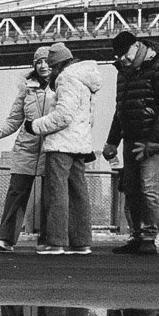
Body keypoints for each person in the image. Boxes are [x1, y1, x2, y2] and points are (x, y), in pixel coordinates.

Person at [18, 42, 103, 255]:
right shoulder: (86, 80)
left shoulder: (66, 78)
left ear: (58, 65)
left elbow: (63, 116)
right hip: (80, 144)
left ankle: (55, 243)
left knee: (56, 192)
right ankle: (81, 242)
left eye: (52, 66)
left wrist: (35, 125)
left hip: (61, 144)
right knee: (78, 193)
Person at [102, 31, 159, 255]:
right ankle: (136, 235)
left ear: (137, 46)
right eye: (118, 58)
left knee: (148, 187)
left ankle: (148, 237)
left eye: (125, 55)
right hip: (131, 135)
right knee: (131, 188)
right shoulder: (124, 72)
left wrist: (155, 141)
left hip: (151, 137)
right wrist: (111, 142)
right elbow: (121, 110)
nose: (123, 60)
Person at [0, 46, 58, 251]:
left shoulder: (62, 85)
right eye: (38, 62)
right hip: (26, 147)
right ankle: (5, 239)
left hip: (51, 147)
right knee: (16, 192)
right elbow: (15, 120)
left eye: (47, 61)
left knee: (49, 196)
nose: (43, 66)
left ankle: (47, 240)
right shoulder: (27, 88)